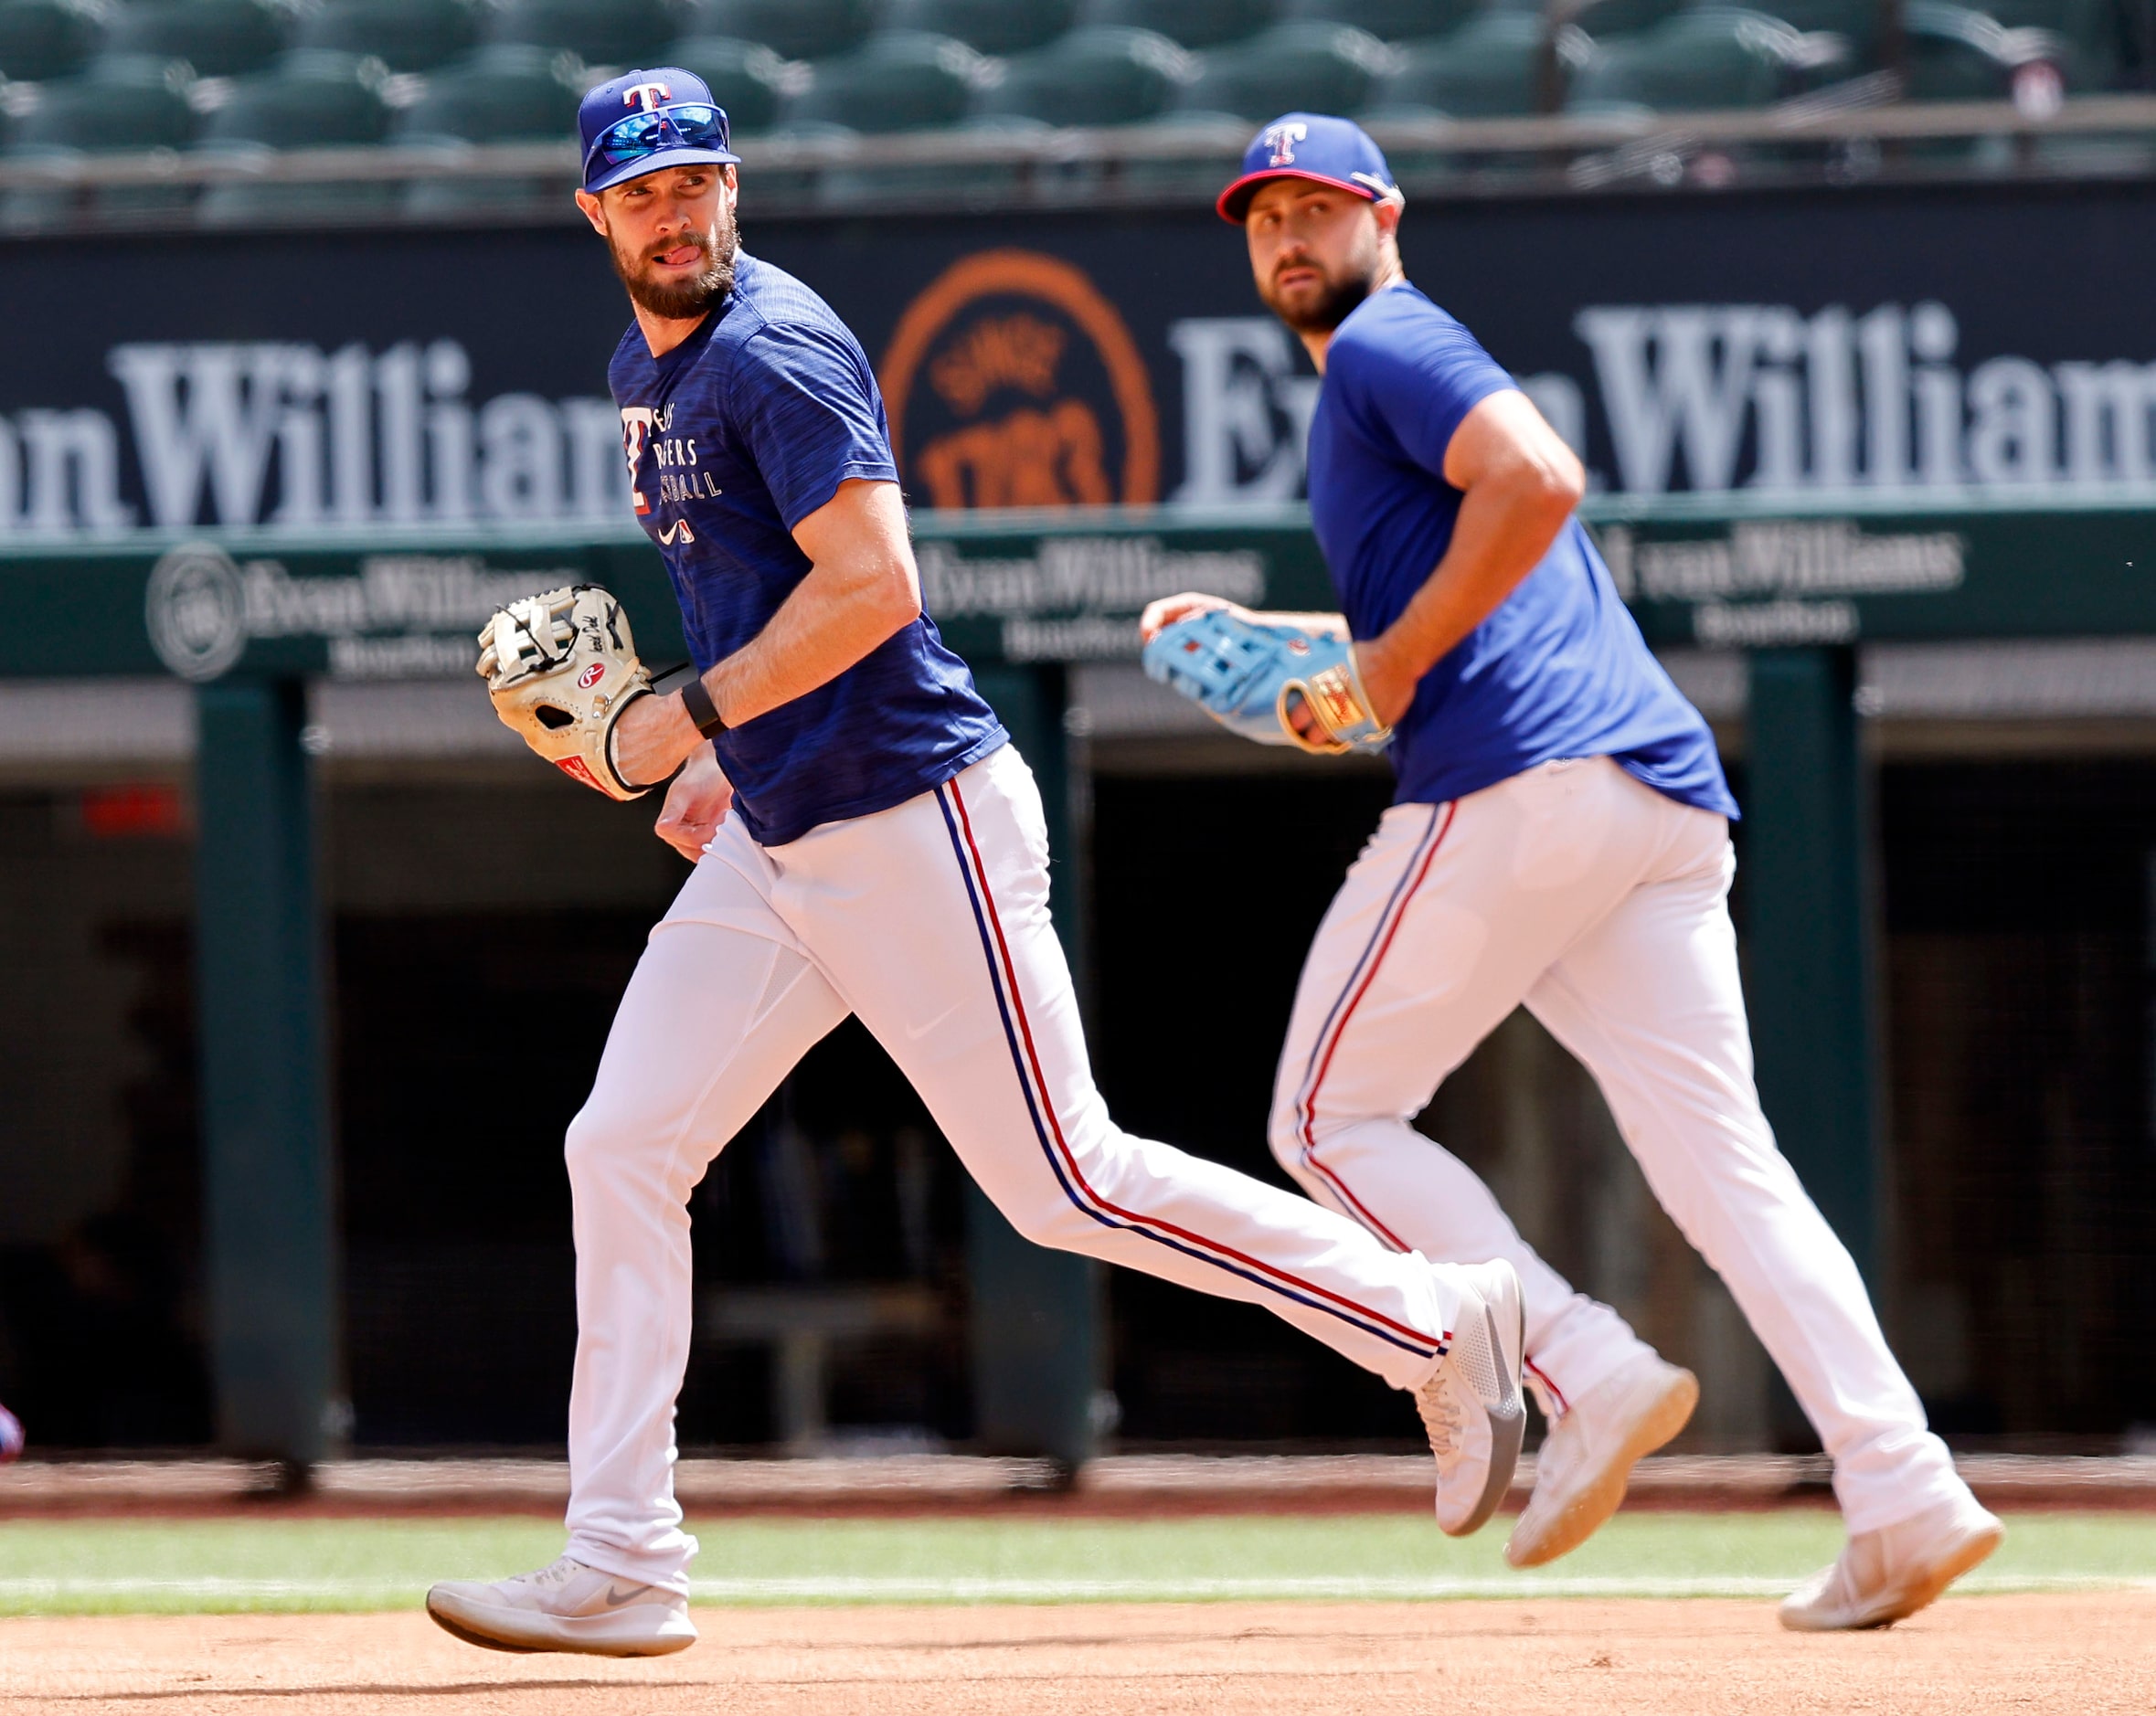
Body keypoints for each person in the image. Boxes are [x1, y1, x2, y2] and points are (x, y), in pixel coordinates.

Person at [424, 73, 1525, 1659]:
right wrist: (729, 761)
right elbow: (763, 605)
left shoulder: (773, 349)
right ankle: (623, 1555)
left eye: (697, 181)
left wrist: (692, 718)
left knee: (1068, 1182)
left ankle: (1434, 1321)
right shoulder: (643, 360)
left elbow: (875, 587)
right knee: (624, 1143)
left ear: (735, 188)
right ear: (594, 211)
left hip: (912, 817)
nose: (675, 211)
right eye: (642, 189)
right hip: (789, 830)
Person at [1139, 112, 2001, 1633]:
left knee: (1324, 1116)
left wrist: (1391, 661)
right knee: (1729, 1168)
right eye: (1263, 215)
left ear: (1384, 218)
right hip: (1652, 802)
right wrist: (1378, 663)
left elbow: (1538, 476)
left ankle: (1582, 1367)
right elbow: (1498, 544)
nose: (1288, 236)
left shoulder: (1391, 343)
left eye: (1317, 208)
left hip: (1525, 788)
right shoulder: (1383, 372)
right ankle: (1903, 1483)